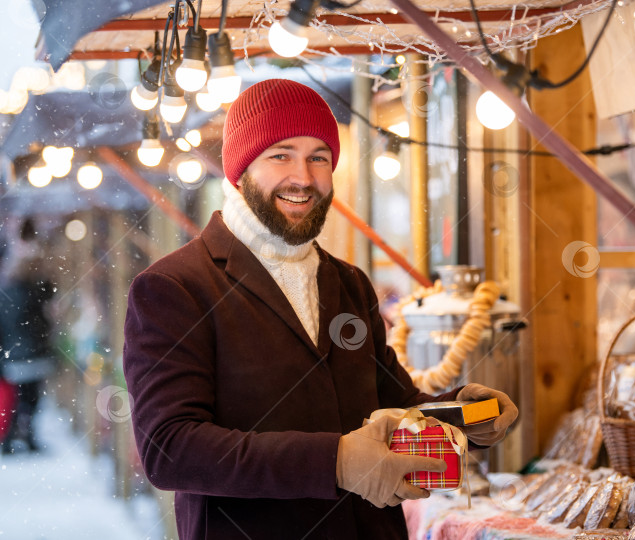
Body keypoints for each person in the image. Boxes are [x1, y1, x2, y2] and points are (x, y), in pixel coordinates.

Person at [123, 79, 518, 540]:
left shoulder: (349, 284)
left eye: (319, 158)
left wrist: (464, 416)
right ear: (241, 168)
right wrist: (336, 462)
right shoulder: (175, 287)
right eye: (281, 155)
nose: (304, 178)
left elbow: (393, 404)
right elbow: (170, 449)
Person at [0, 218, 57, 454]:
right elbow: (42, 318)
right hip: (32, 351)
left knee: (16, 398)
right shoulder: (37, 287)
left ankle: (12, 437)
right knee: (31, 399)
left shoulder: (8, 289)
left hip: (14, 352)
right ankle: (27, 436)